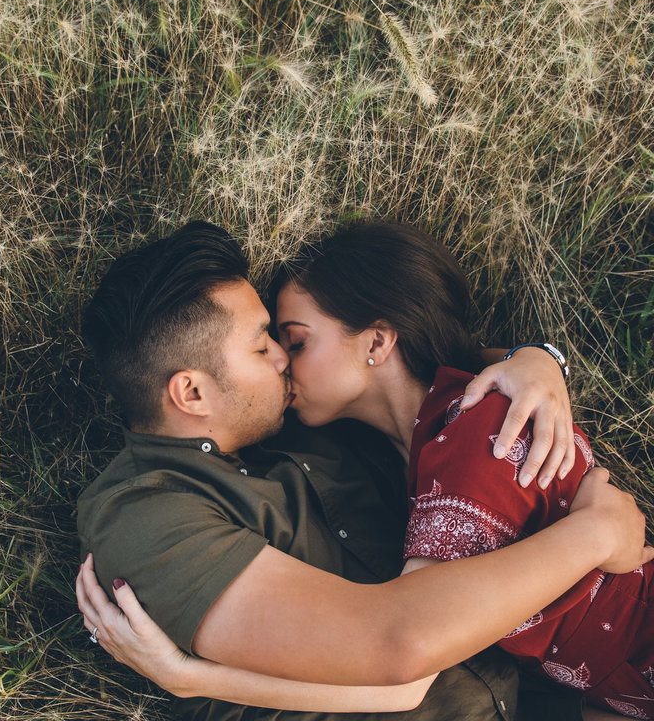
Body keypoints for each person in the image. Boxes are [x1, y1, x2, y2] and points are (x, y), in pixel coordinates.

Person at [75, 220, 653, 721]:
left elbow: (414, 370)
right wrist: (594, 535)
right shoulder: (148, 513)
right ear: (193, 392)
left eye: (291, 342)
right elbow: (400, 651)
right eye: (264, 348)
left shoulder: (303, 423)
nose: (282, 360)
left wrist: (534, 361)